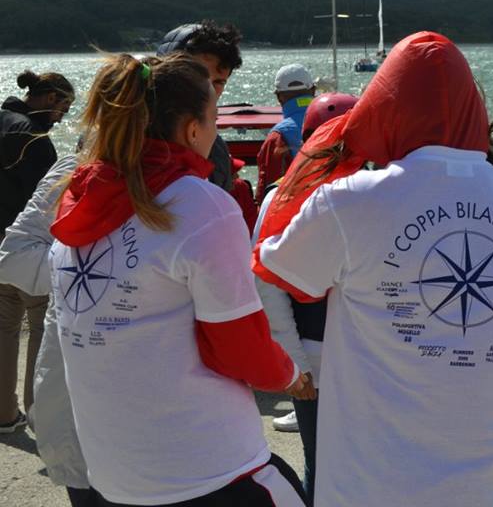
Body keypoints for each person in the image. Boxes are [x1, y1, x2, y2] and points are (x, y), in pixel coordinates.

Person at [253, 31, 493, 506]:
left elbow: (269, 261)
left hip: (373, 486)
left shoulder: (349, 203)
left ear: (381, 108)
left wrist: (332, 150)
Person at [48, 53, 309, 506]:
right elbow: (237, 346)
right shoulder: (200, 205)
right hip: (207, 468)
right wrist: (291, 375)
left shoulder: (78, 200)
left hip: (116, 476)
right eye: (213, 120)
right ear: (192, 129)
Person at [256, 92, 357, 504]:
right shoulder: (372, 191)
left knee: (333, 463)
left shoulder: (281, 195)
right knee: (333, 463)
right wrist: (295, 362)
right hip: (329, 356)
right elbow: (266, 281)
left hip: (335, 355)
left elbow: (265, 282)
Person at [0, 154, 94, 506]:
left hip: (29, 250)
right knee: (36, 330)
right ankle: (30, 411)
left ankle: (14, 414)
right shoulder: (57, 156)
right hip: (46, 256)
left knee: (8, 332)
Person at [1, 69, 74, 434]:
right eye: (64, 107)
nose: (63, 117)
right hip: (30, 245)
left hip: (4, 246)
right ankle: (37, 413)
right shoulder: (35, 139)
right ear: (49, 99)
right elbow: (51, 200)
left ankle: (2, 414)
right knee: (40, 328)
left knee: (3, 328)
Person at [156, 20, 243, 191]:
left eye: (218, 82)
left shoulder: (217, 151)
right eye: (198, 78)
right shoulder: (126, 142)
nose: (208, 90)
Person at [255, 64, 317, 203]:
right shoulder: (334, 124)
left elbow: (267, 192)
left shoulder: (277, 138)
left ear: (279, 97)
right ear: (313, 91)